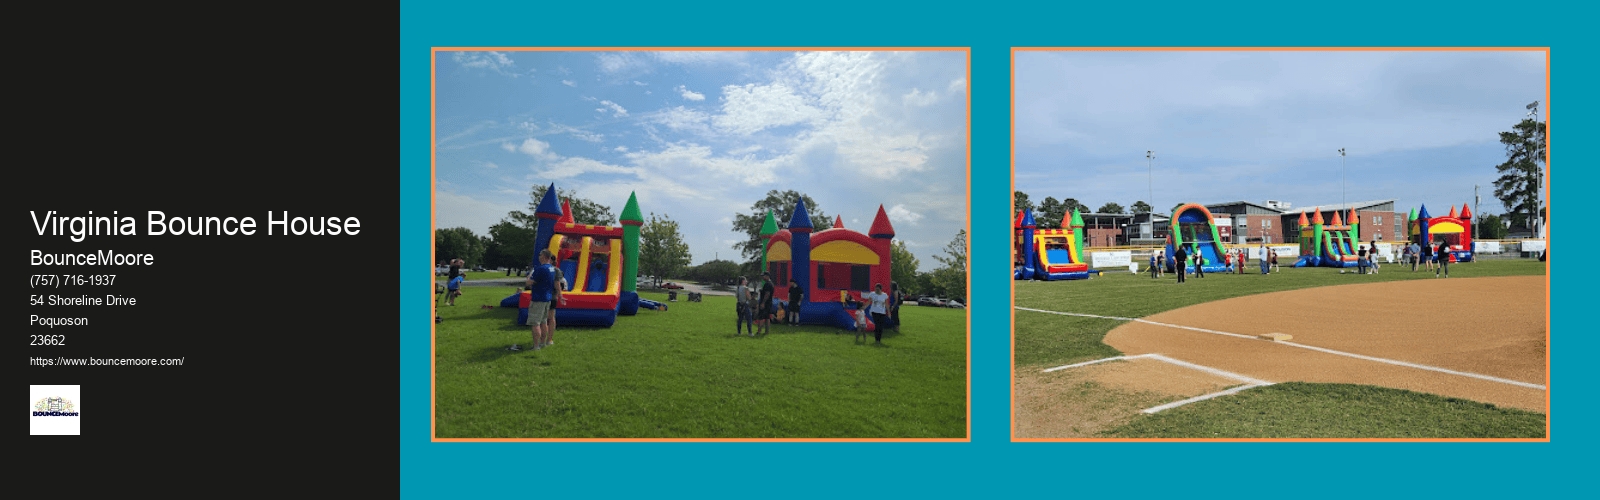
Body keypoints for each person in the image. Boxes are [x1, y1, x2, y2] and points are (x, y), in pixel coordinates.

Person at [519, 249, 561, 351]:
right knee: (543, 321)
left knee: (535, 323)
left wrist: (528, 277)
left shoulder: (540, 269)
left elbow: (529, 283)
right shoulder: (552, 268)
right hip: (547, 298)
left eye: (540, 255)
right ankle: (543, 342)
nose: (539, 256)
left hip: (538, 298)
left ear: (544, 256)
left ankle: (536, 346)